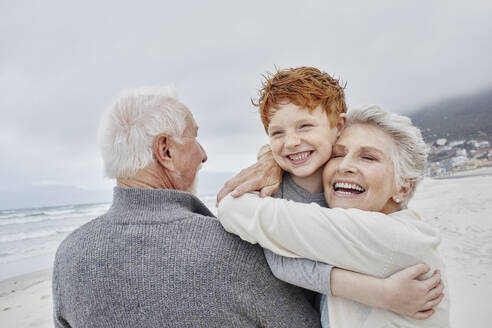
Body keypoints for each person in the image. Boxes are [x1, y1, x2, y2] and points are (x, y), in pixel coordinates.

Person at [52, 86, 323, 327]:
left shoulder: (68, 257)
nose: (203, 154)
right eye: (194, 138)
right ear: (166, 150)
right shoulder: (232, 250)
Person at [218, 67, 444, 325]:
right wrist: (269, 158)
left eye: (304, 126)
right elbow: (280, 263)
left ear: (339, 126)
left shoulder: (365, 218)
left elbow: (235, 210)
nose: (291, 141)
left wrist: (381, 294)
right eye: (277, 133)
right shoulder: (279, 191)